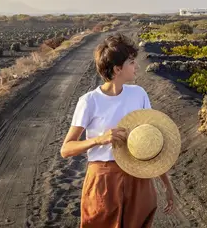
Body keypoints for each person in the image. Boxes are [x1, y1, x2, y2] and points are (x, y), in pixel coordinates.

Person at [60, 33, 175, 227]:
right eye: (131, 62)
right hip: (104, 180)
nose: (136, 66)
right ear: (117, 69)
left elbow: (152, 141)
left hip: (139, 177)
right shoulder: (89, 101)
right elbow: (66, 149)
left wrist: (167, 184)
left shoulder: (138, 94)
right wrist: (99, 139)